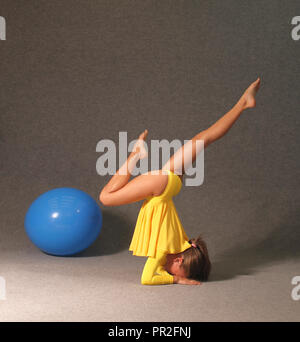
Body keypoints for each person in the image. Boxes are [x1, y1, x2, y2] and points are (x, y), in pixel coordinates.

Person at [99, 78, 261, 285]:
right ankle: (135, 154)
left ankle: (243, 103)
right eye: (177, 270)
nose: (168, 270)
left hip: (170, 184)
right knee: (106, 197)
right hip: (161, 186)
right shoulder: (163, 251)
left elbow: (157, 274)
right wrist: (178, 280)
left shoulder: (184, 243)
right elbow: (147, 279)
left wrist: (178, 275)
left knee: (203, 139)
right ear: (178, 259)